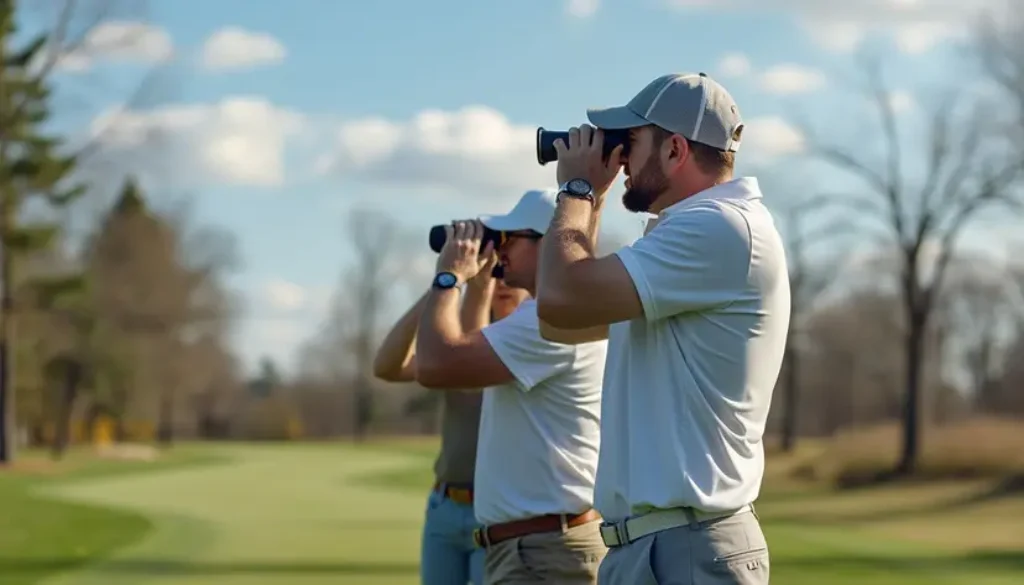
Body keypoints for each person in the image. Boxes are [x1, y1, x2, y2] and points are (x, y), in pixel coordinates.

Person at [535, 73, 790, 585]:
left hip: (688, 546)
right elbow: (560, 319)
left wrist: (578, 187)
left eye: (629, 142)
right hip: (658, 546)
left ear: (675, 149)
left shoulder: (721, 226)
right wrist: (596, 197)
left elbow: (562, 293)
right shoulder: (691, 236)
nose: (620, 158)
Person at [415, 189, 609, 585]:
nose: (499, 250)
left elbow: (436, 363)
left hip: (545, 551)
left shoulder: (548, 324)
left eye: (511, 238)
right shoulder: (546, 317)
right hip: (537, 548)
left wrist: (448, 276)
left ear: (549, 244)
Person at [373, 258, 529, 585]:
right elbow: (387, 366)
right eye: (491, 271)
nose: (498, 281)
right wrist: (442, 284)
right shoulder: (456, 346)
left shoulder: (534, 345)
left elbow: (474, 367)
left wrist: (471, 289)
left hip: (497, 514)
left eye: (505, 272)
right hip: (443, 506)